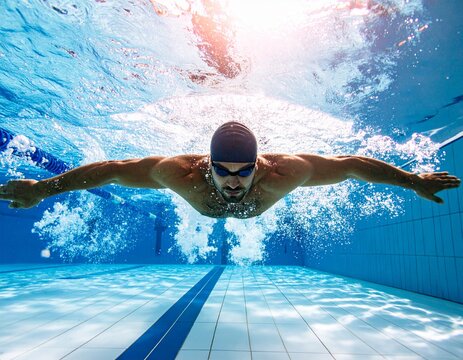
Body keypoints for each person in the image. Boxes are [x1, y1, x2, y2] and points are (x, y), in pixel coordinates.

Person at [0, 122, 460, 219]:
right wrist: (44, 187)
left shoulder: (288, 172)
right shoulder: (175, 173)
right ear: (209, 165)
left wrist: (413, 180)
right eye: (224, 172)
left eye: (244, 171)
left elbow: (352, 165)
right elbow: (111, 171)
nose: (234, 181)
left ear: (260, 165)